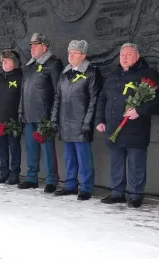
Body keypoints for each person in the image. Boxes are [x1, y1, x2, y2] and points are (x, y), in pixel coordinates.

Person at [95, 43, 159, 208]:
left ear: (137, 56)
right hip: (113, 129)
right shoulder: (112, 76)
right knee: (116, 163)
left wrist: (139, 111)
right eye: (122, 55)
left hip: (136, 130)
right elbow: (102, 99)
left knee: (136, 164)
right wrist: (100, 120)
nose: (124, 58)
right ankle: (117, 193)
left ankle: (135, 195)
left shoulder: (148, 74)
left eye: (128, 55)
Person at [50, 40, 102, 201]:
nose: (71, 55)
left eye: (75, 53)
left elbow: (94, 100)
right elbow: (57, 97)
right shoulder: (65, 73)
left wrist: (87, 122)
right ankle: (70, 185)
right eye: (69, 52)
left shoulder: (92, 73)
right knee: (69, 157)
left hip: (81, 123)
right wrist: (54, 118)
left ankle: (86, 188)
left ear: (83, 55)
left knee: (83, 158)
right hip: (65, 121)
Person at [18, 33, 63, 193]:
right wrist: (21, 110)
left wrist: (53, 116)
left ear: (44, 46)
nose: (32, 48)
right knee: (31, 148)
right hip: (29, 114)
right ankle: (31, 178)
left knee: (48, 149)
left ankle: (51, 179)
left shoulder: (53, 63)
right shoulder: (30, 66)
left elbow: (58, 91)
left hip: (45, 115)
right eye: (31, 46)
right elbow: (24, 90)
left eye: (35, 45)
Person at [0, 50, 23, 185]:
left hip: (13, 122)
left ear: (14, 63)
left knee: (14, 148)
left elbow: (22, 101)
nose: (4, 63)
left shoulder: (20, 78)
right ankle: (4, 172)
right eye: (3, 61)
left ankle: (14, 174)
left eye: (7, 61)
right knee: (1, 148)